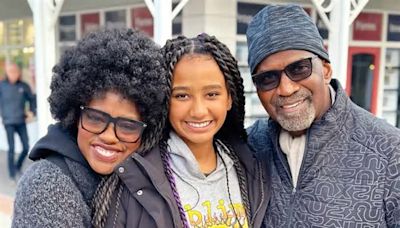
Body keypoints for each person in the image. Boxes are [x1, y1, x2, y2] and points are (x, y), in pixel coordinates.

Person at [245, 4, 400, 227]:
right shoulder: (248, 147)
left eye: (298, 69)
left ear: (325, 70)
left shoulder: (389, 151)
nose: (286, 89)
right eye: (268, 78)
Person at [92, 33, 269, 228]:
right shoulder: (133, 180)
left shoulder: (253, 169)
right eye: (182, 96)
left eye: (212, 94)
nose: (199, 111)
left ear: (229, 98)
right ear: (164, 100)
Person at [12, 28, 168, 227]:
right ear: (75, 115)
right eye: (95, 118)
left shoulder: (139, 177)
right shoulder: (47, 187)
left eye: (128, 126)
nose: (109, 136)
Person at [0, 62, 36, 180]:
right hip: (8, 121)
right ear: (7, 73)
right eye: (11, 72)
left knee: (26, 147)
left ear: (19, 73)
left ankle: (17, 166)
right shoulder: (2, 86)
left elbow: (32, 99)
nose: (13, 74)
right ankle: (12, 174)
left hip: (21, 120)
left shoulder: (23, 86)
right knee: (11, 148)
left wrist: (32, 111)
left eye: (15, 72)